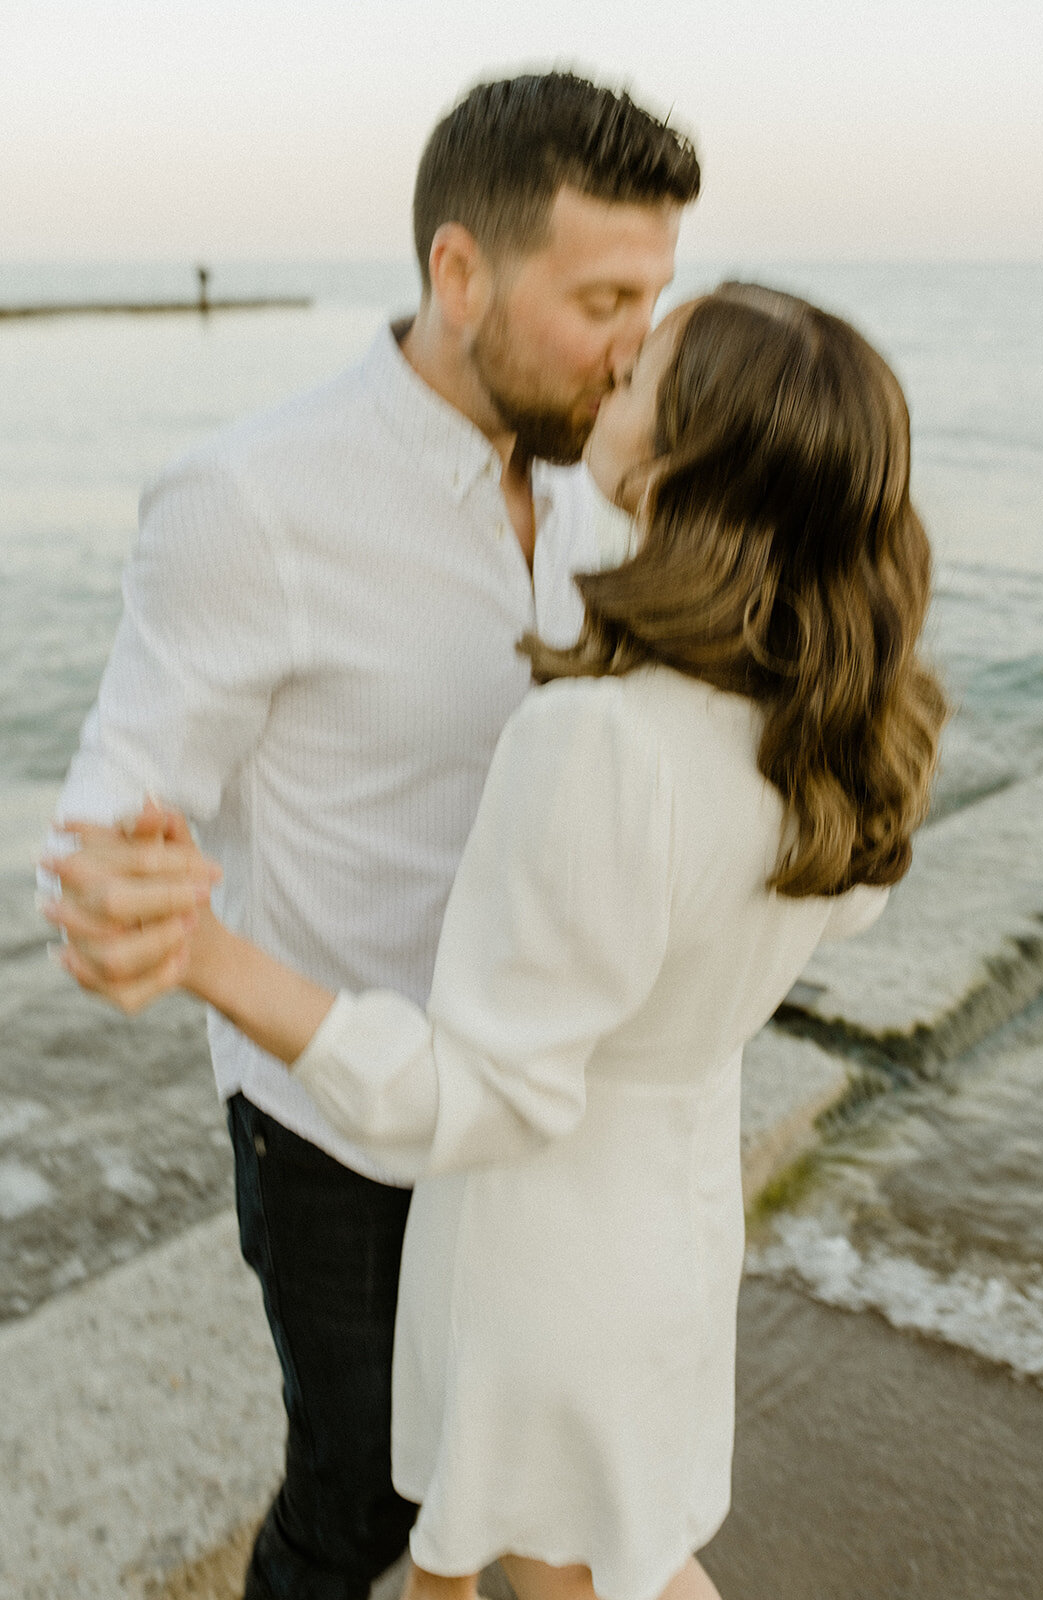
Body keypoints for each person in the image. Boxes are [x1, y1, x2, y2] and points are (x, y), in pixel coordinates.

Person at [44, 283, 949, 1600]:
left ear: (682, 459)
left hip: (545, 1255)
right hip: (676, 1221)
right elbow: (824, 910)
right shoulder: (846, 722)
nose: (611, 376)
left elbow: (481, 1096)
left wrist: (206, 952)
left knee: (574, 1570)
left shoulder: (602, 741)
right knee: (601, 1549)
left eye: (641, 375)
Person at [38, 72, 701, 1600]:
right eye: (603, 296)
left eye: (656, 300)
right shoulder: (252, 500)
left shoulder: (615, 477)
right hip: (341, 1132)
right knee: (363, 1507)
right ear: (458, 273)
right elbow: (115, 796)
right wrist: (122, 883)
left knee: (514, 1491)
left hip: (546, 1108)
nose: (637, 346)